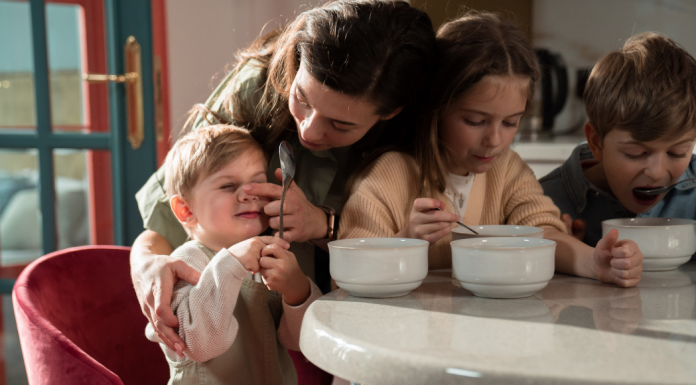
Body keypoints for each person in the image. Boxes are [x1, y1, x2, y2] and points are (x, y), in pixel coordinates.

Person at [131, 0, 438, 360]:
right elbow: (165, 223)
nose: (308, 129)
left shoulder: (414, 143)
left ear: (391, 113)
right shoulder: (255, 87)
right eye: (301, 99)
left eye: (341, 125)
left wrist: (325, 224)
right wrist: (145, 267)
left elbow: (400, 258)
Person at [339, 11, 644, 287]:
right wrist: (407, 239)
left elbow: (543, 235)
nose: (495, 140)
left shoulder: (508, 170)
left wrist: (594, 263)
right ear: (435, 109)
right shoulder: (388, 176)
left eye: (511, 123)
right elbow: (348, 275)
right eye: (475, 121)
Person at [146, 124, 321, 384]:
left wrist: (297, 292)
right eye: (228, 186)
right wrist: (231, 263)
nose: (248, 194)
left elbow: (302, 343)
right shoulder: (185, 262)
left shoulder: (268, 256)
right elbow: (201, 346)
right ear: (185, 210)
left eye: (257, 182)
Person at [540, 32, 696, 248]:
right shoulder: (545, 203)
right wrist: (567, 259)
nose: (657, 172)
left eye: (677, 152)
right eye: (636, 153)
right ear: (596, 142)